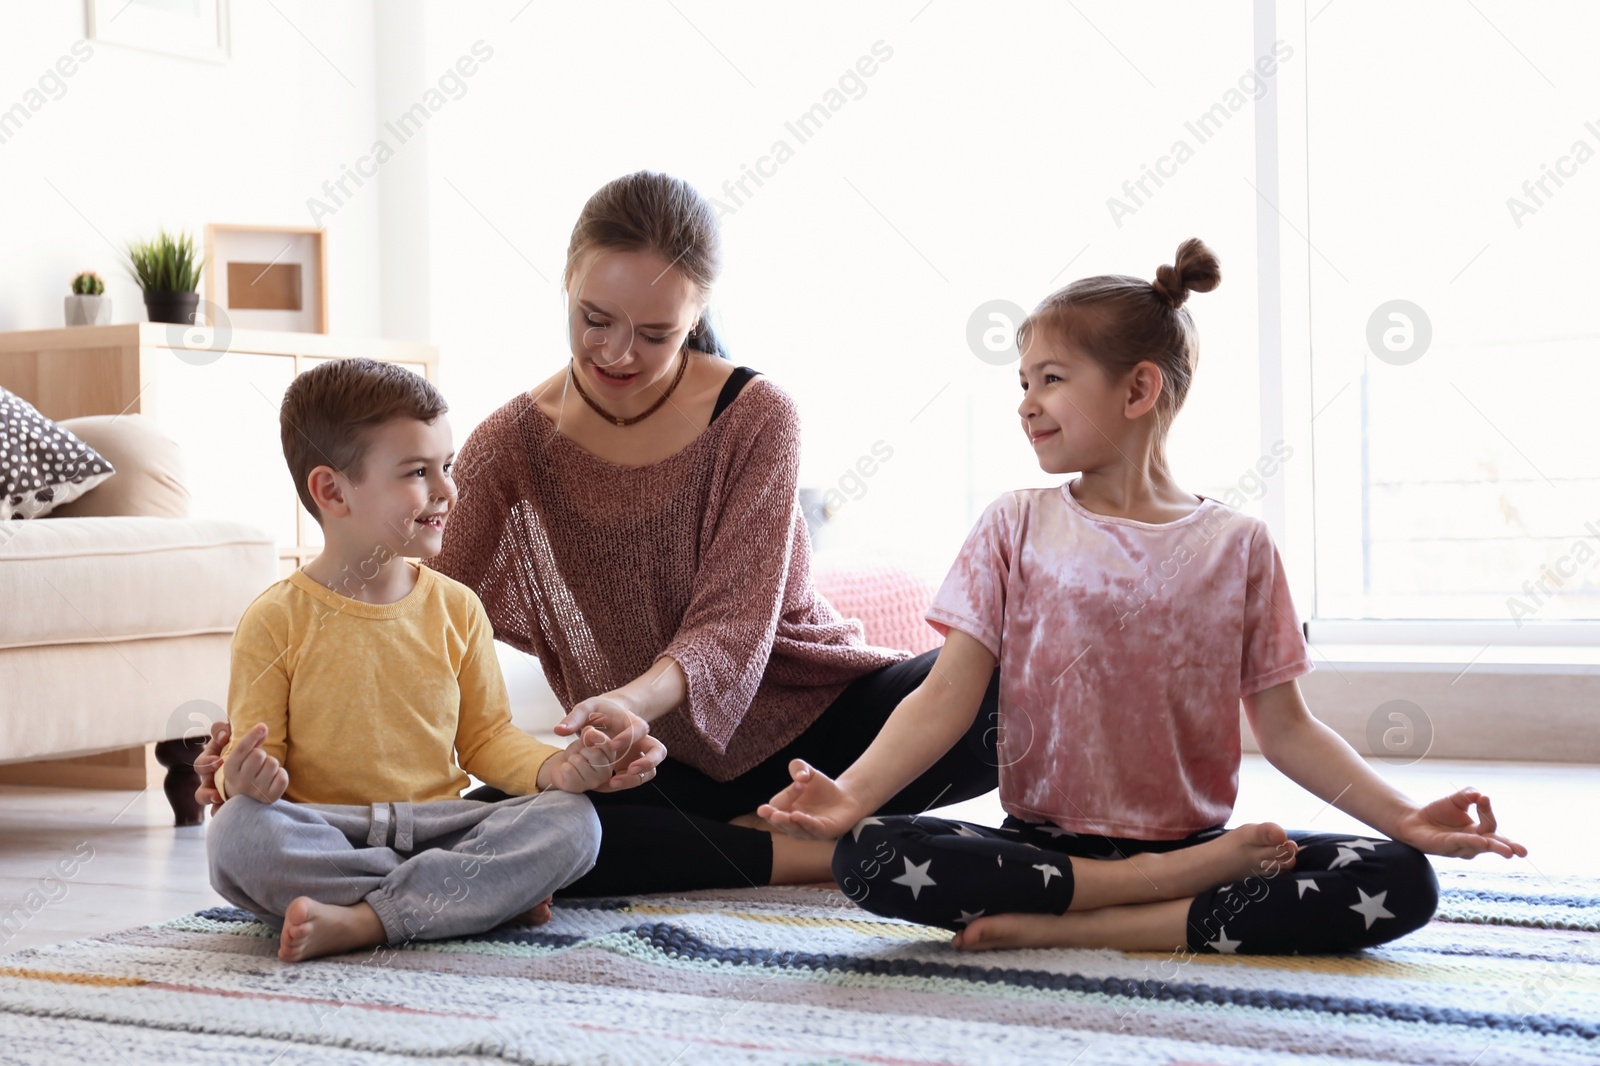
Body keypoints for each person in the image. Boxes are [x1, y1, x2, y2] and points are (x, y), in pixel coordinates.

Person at [759, 239, 1528, 955]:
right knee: (872, 853)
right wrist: (852, 794)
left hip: (1197, 849)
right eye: (1022, 383)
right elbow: (945, 698)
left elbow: (1288, 729)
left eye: (1051, 379)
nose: (1026, 402)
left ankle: (1073, 931)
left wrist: (1404, 818)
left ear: (1139, 388)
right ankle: (1143, 905)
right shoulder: (1014, 524)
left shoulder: (1240, 546)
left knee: (1400, 879)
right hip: (1043, 851)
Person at [417, 170, 1005, 894]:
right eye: (594, 318)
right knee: (466, 837)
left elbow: (731, 626)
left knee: (1019, 687)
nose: (617, 353)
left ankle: (764, 834)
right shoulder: (508, 443)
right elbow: (419, 613)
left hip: (822, 730)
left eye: (656, 333)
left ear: (696, 316)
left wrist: (630, 698)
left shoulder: (757, 415)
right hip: (654, 769)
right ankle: (802, 850)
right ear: (566, 282)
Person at [202, 358, 663, 962]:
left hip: (443, 827)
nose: (447, 489)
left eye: (446, 467)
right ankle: (462, 901)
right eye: (418, 472)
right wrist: (237, 779)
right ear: (332, 490)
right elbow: (257, 763)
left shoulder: (458, 607)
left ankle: (364, 921)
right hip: (331, 833)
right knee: (236, 836)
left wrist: (559, 770)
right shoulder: (274, 620)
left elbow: (487, 739)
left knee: (573, 822)